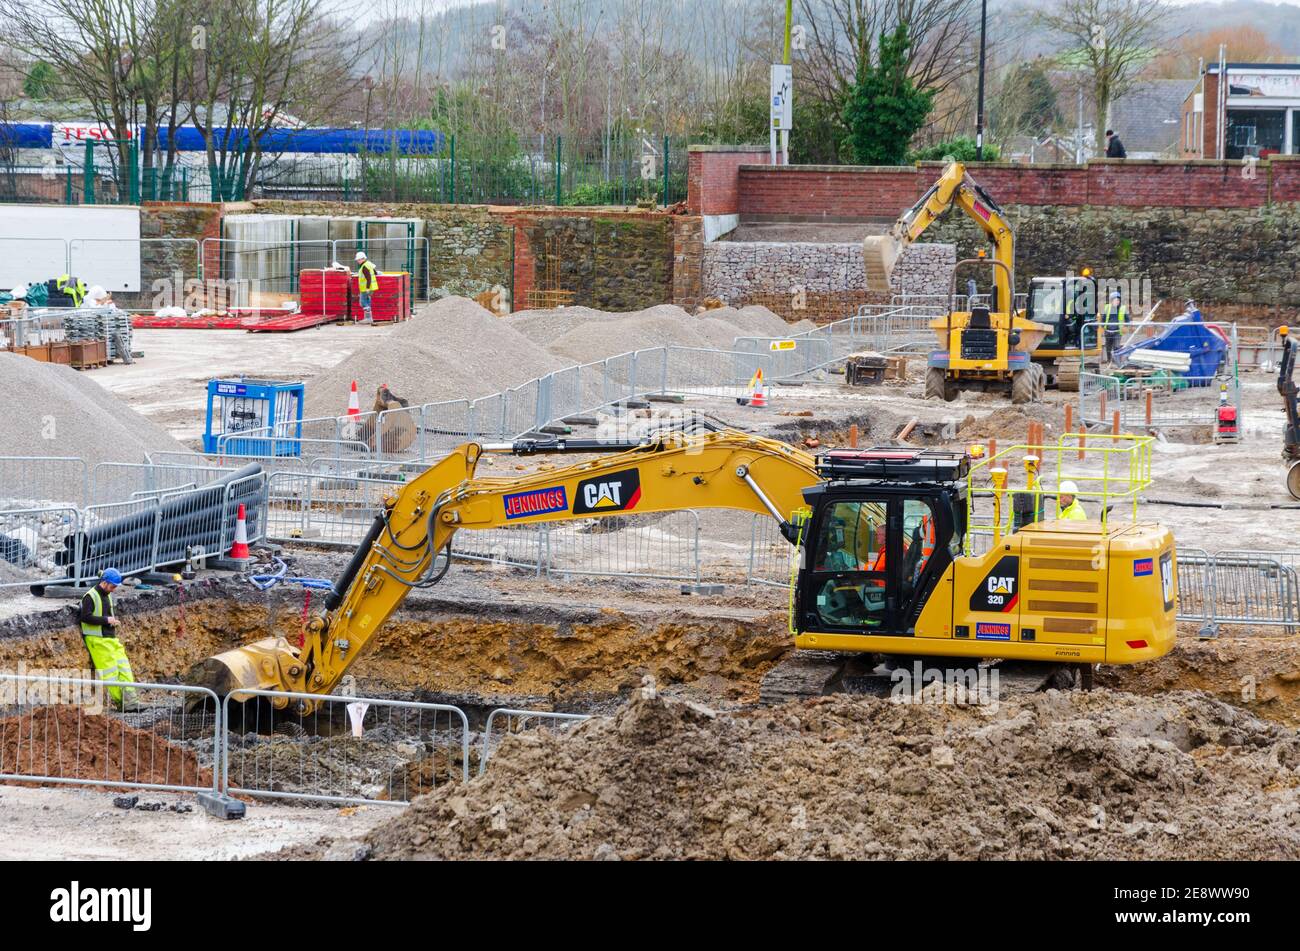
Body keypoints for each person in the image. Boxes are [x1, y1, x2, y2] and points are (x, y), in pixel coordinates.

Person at [79, 567, 139, 710]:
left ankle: (132, 701)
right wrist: (106, 620)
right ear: (104, 583)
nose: (114, 589)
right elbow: (85, 617)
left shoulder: (107, 594)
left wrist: (110, 622)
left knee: (124, 668)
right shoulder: (90, 596)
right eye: (112, 586)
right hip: (97, 639)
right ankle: (122, 704)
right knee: (110, 674)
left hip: (110, 638)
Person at [1102, 289, 1127, 363]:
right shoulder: (1107, 308)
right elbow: (1103, 319)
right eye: (1115, 300)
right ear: (1111, 301)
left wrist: (1126, 327)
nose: (1117, 301)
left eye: (1118, 300)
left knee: (1116, 347)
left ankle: (1117, 361)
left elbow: (1127, 320)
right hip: (1108, 331)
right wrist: (1103, 328)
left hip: (1117, 332)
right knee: (1108, 347)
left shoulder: (1122, 308)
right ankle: (1109, 361)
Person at [354, 252, 379, 324]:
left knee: (363, 302)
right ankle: (368, 318)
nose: (357, 261)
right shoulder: (369, 264)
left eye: (358, 260)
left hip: (366, 288)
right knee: (367, 302)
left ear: (363, 259)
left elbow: (368, 278)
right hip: (371, 287)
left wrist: (367, 288)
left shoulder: (364, 266)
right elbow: (375, 273)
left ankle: (368, 318)